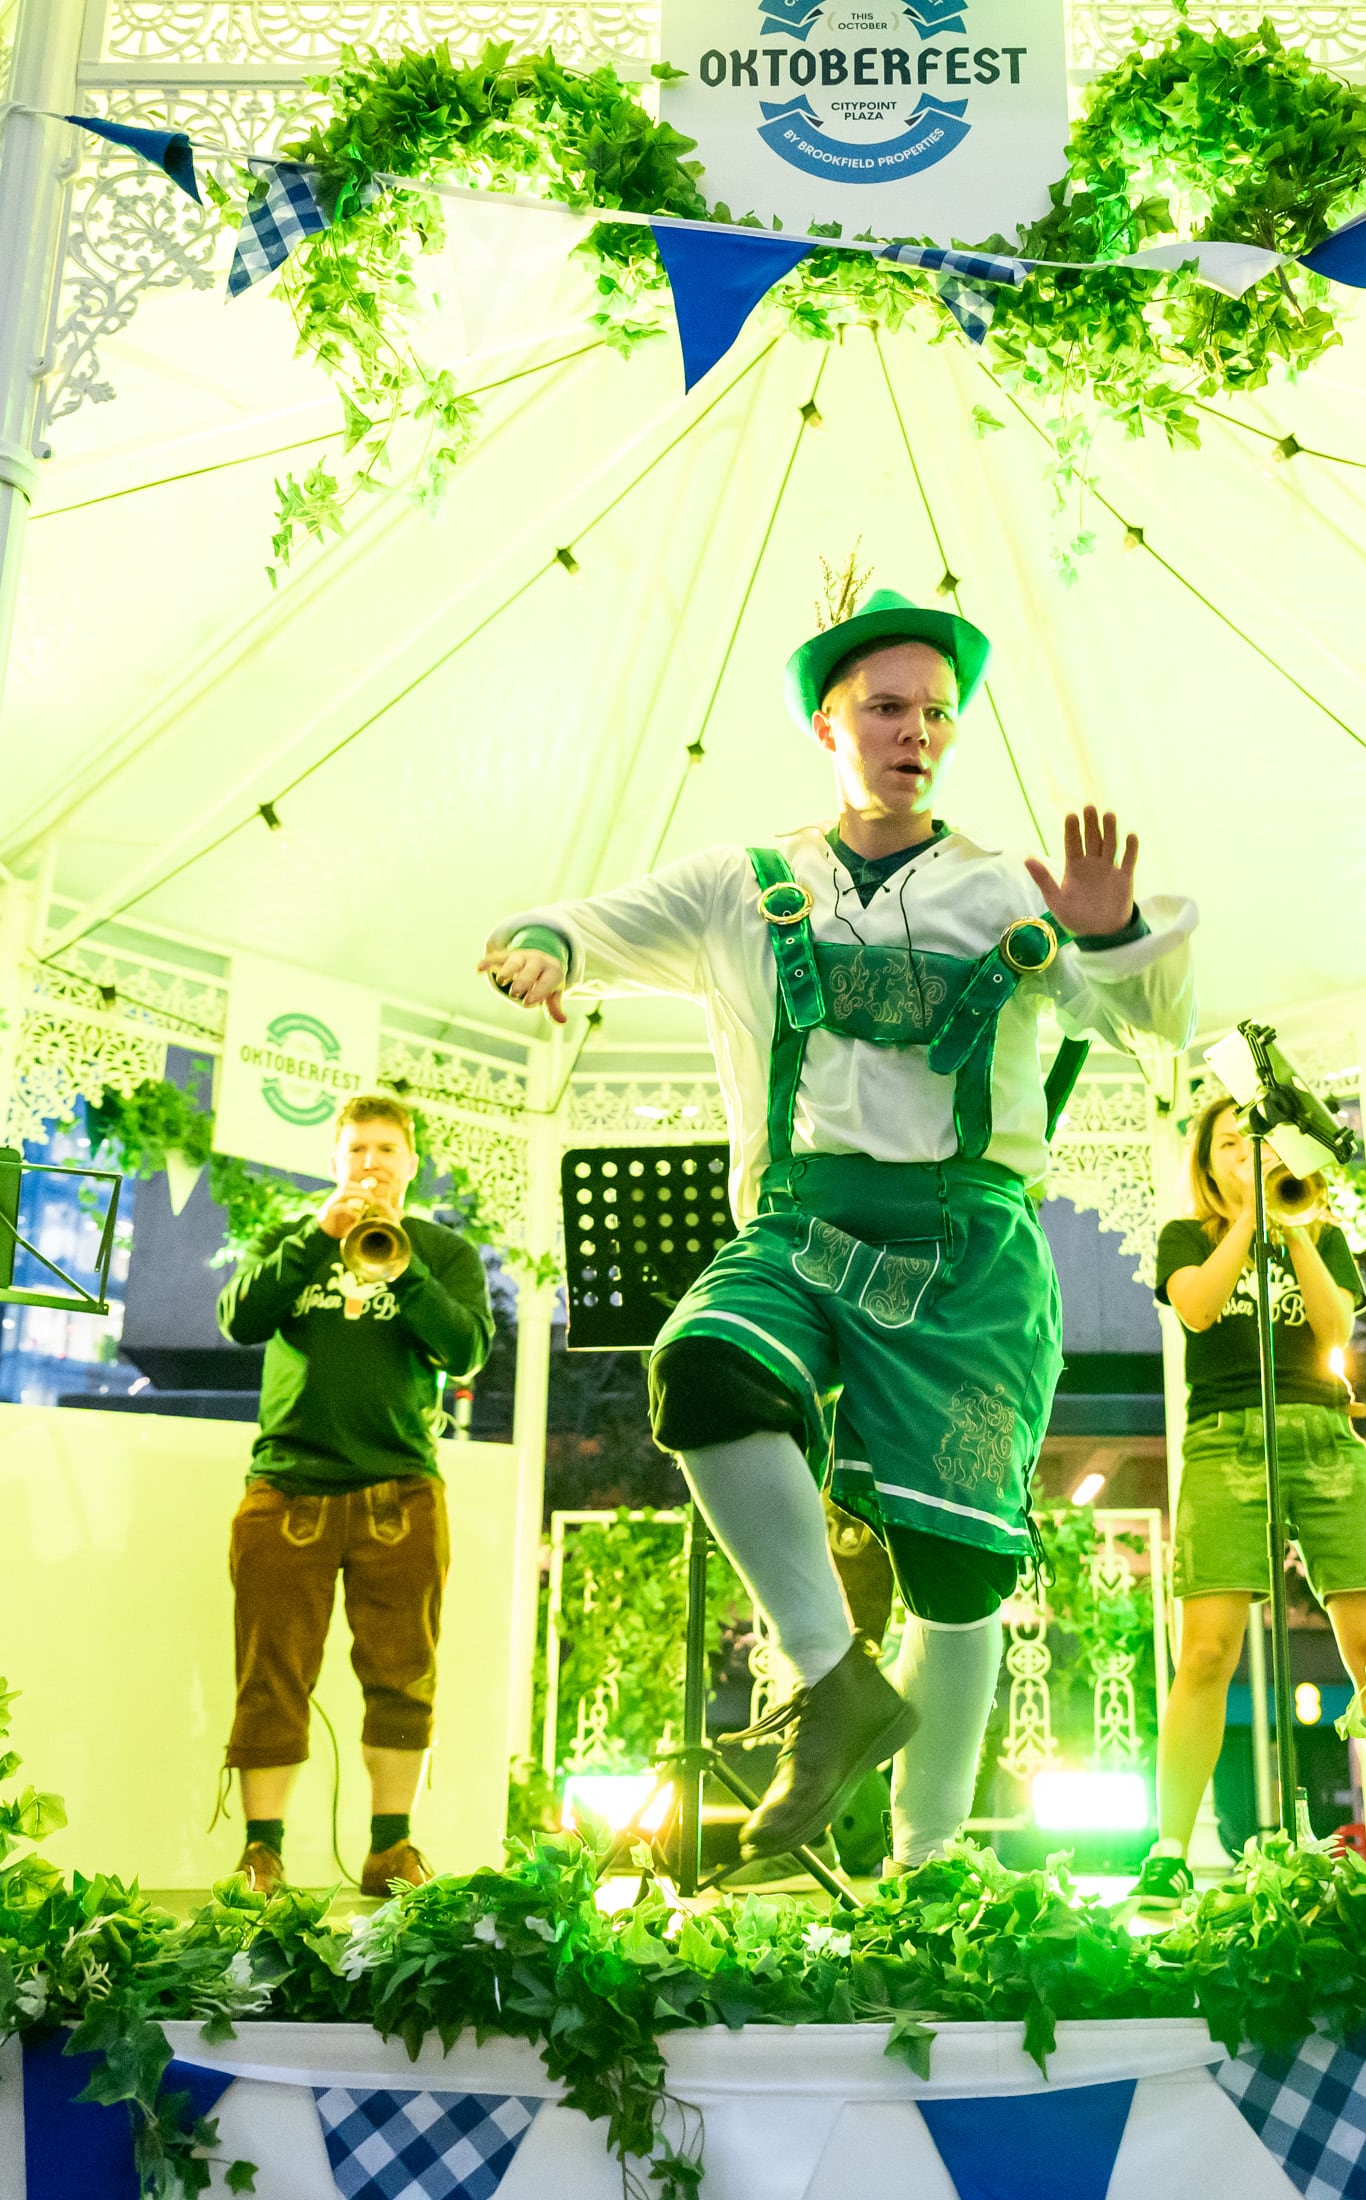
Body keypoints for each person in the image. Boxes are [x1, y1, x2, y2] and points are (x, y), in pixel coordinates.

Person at [479, 583, 1197, 1870]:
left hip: (970, 1251)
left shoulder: (1003, 891)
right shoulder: (740, 887)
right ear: (827, 721)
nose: (914, 729)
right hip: (798, 1226)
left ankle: (927, 1867)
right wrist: (540, 947)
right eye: (885, 706)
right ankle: (831, 1681)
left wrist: (1115, 936)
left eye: (935, 711)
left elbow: (1156, 1030)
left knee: (956, 1571)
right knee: (700, 1365)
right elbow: (575, 922)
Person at [1129, 1094, 1366, 1910]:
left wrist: (1295, 1224)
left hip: (1325, 1437)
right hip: (1225, 1438)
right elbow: (1195, 1306)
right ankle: (1169, 1848)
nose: (1245, 1156)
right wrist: (1249, 1220)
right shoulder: (1184, 1236)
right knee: (1205, 1651)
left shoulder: (1323, 1234)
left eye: (1256, 1145)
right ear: (1207, 1161)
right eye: (1229, 1145)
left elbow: (1336, 1328)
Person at [214, 1092, 495, 1897]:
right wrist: (319, 1239)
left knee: (404, 1676)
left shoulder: (441, 1251)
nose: (370, 1163)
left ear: (411, 1164)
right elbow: (239, 1318)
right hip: (287, 1486)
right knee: (269, 1674)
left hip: (399, 1489)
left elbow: (465, 1349)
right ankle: (261, 1852)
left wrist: (401, 1269)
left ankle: (390, 1848)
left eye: (385, 1150)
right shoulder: (292, 1240)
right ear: (335, 1163)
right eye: (356, 1151)